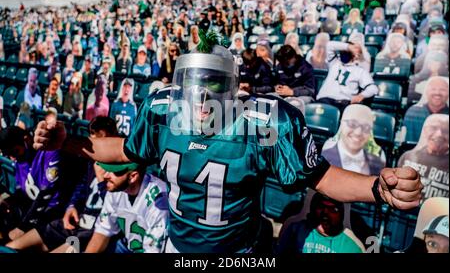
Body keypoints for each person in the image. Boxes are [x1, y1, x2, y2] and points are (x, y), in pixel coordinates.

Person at [33, 30, 423, 253]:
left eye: (214, 86)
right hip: (176, 246)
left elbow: (319, 178)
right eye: (192, 87)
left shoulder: (263, 122)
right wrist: (67, 141)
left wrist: (376, 188)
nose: (201, 101)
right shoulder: (161, 109)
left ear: (235, 87)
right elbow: (121, 151)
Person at [4, 117, 118, 253]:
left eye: (104, 143)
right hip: (73, 222)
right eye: (95, 142)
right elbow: (81, 187)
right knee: (10, 248)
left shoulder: (123, 169)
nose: (99, 148)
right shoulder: (91, 161)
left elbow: (117, 208)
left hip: (93, 231)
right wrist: (72, 206)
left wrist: (101, 182)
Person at [0, 111, 85, 242]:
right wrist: (8, 200)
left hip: (56, 211)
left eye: (14, 151)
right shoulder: (20, 159)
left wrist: (23, 227)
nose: (12, 157)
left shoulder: (49, 150)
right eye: (8, 155)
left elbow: (47, 194)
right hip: (35, 208)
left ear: (26, 139)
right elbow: (23, 191)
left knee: (13, 244)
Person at [84, 162, 169, 253]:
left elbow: (153, 250)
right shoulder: (116, 188)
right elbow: (103, 231)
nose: (105, 175)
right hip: (127, 245)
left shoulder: (159, 201)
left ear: (133, 176)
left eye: (114, 172)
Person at [277, 192, 365, 253]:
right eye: (321, 206)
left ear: (342, 214)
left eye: (332, 209)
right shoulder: (296, 230)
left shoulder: (351, 247)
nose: (325, 213)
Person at [322, 105, 386, 174]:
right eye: (352, 124)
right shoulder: (324, 158)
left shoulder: (378, 165)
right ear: (341, 124)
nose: (358, 133)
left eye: (366, 127)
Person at [316, 40, 378, 112]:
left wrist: (361, 96)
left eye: (348, 51)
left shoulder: (360, 71)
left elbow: (373, 88)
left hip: (344, 103)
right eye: (343, 50)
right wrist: (348, 47)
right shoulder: (334, 62)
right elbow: (329, 45)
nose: (344, 52)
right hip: (325, 99)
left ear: (355, 55)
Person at [398, 114, 449, 200]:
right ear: (424, 131)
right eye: (433, 128)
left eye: (446, 130)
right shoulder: (408, 157)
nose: (439, 134)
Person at [403, 77, 449, 143]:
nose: (437, 93)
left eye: (442, 90)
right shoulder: (413, 113)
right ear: (426, 92)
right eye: (433, 89)